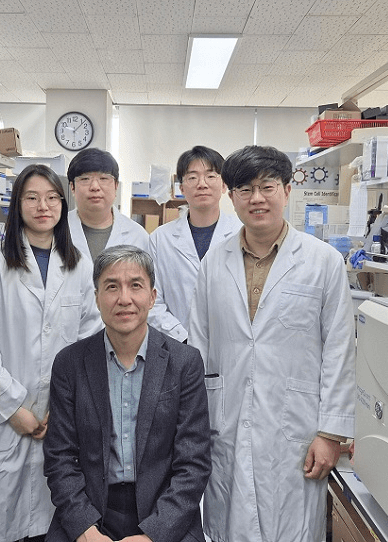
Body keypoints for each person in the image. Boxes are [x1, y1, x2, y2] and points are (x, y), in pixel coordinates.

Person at [188, 145, 355, 542]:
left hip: (296, 426)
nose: (257, 198)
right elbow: (197, 343)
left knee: (290, 528)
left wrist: (331, 433)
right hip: (225, 420)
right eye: (245, 189)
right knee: (228, 525)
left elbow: (339, 350)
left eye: (267, 186)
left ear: (287, 189)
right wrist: (191, 424)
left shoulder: (323, 261)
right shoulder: (215, 261)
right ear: (232, 197)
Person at [0, 164, 102, 542]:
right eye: (31, 198)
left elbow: (90, 337)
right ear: (18, 205)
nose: (42, 206)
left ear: (64, 204)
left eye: (51, 197)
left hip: (59, 416)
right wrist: (14, 408)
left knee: (53, 522)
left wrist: (63, 405)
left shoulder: (79, 266)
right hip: (1, 418)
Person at [43, 245, 211, 542]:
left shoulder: (184, 362)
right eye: (111, 286)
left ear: (152, 297)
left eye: (136, 285)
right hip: (91, 510)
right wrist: (84, 529)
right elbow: (60, 458)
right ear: (96, 298)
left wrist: (154, 534)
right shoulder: (70, 363)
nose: (124, 299)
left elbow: (193, 464)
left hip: (163, 513)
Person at [148, 146, 241, 342]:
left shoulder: (242, 233)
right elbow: (151, 300)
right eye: (192, 177)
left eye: (211, 176)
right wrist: (181, 337)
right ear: (181, 188)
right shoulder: (160, 239)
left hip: (232, 344)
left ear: (224, 185)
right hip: (175, 344)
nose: (202, 184)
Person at [67, 148, 150, 263]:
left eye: (103, 178)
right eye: (85, 179)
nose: (95, 187)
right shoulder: (54, 231)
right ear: (72, 187)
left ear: (116, 186)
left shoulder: (137, 236)